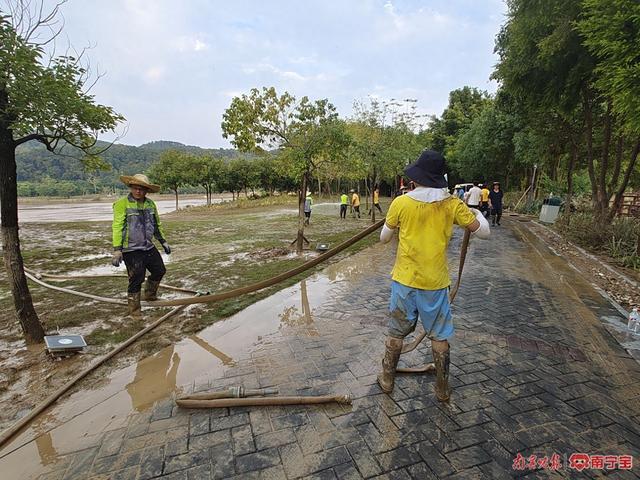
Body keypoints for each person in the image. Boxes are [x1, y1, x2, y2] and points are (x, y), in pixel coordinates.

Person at [377, 150, 490, 402]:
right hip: (435, 284)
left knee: (395, 332)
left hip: (404, 282)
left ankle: (387, 379)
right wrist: (479, 214)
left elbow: (383, 238)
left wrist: (394, 227)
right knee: (439, 336)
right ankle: (441, 388)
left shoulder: (401, 203)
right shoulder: (453, 205)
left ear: (416, 178)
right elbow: (483, 233)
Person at [111, 174, 171, 319]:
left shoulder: (150, 204)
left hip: (148, 246)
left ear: (146, 191)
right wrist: (117, 250)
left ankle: (150, 295)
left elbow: (156, 224)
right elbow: (117, 226)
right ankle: (134, 310)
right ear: (131, 188)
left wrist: (163, 241)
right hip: (131, 249)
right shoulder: (121, 204)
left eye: (141, 189)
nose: (138, 192)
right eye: (135, 188)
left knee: (159, 270)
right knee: (136, 278)